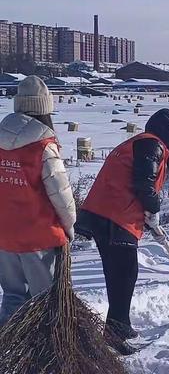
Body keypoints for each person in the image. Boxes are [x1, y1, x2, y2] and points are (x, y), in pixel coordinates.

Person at [76, 109, 169, 353]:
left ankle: (120, 326)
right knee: (124, 275)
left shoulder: (137, 143)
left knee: (120, 275)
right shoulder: (152, 145)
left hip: (105, 214)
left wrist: (149, 220)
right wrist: (153, 210)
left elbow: (133, 181)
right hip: (116, 217)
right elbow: (144, 183)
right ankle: (115, 334)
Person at [0, 76, 76, 326]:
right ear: (45, 109)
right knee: (44, 301)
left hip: (4, 235)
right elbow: (61, 194)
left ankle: (9, 349)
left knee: (12, 296)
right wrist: (69, 226)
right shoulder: (44, 145)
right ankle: (44, 352)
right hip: (38, 237)